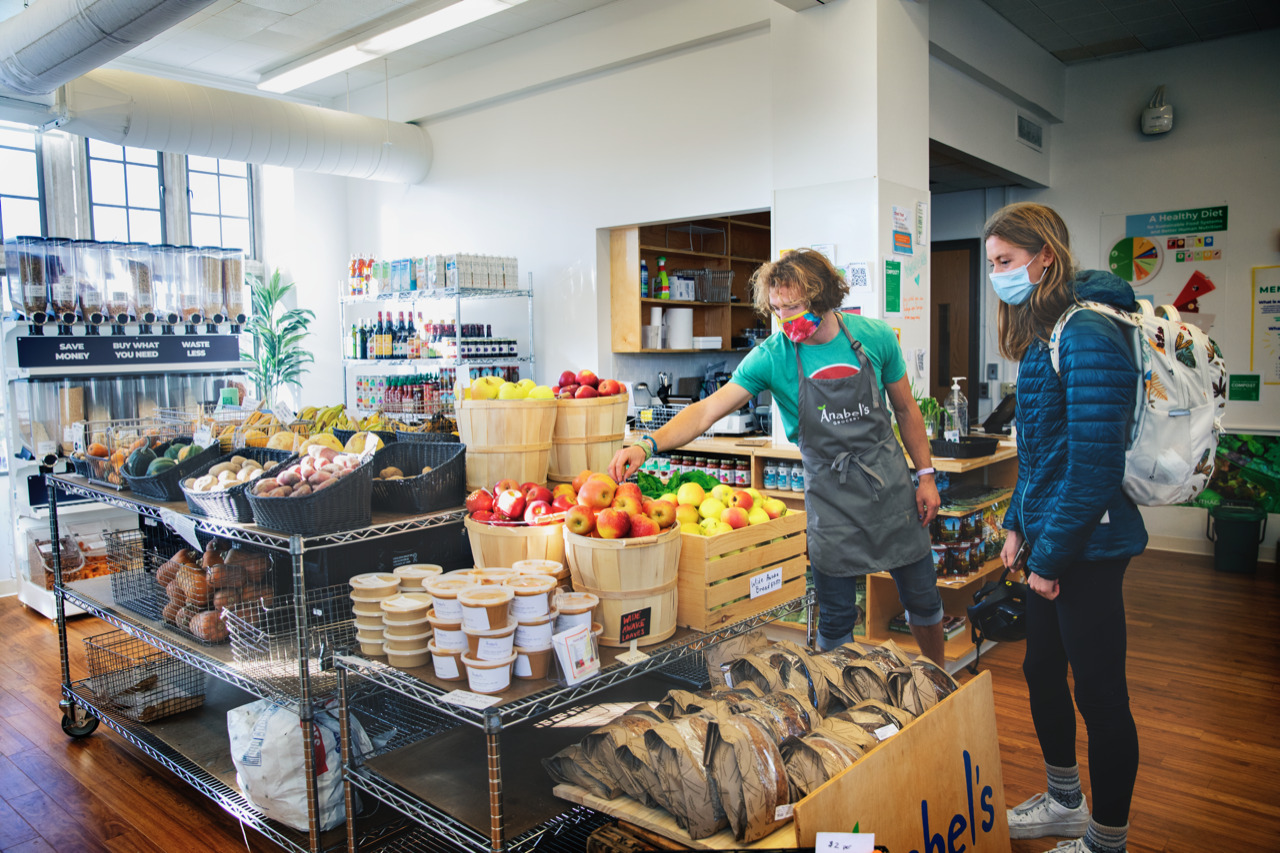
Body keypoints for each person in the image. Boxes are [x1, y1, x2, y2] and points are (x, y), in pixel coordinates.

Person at [608, 248, 945, 664]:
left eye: (795, 307)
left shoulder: (874, 338)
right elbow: (706, 410)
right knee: (836, 618)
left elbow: (908, 411)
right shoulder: (773, 355)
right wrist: (646, 443)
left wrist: (926, 475)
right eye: (778, 310)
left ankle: (939, 679)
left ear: (822, 297)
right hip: (831, 500)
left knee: (923, 600)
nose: (786, 320)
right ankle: (837, 707)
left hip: (890, 489)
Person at [985, 202, 1146, 853]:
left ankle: (1107, 839)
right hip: (1055, 538)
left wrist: (1049, 558)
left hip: (1092, 545)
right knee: (1042, 669)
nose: (997, 274)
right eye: (992, 263)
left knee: (1101, 692)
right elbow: (1045, 452)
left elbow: (1095, 464)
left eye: (1005, 262)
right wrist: (1019, 526)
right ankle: (1062, 800)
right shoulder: (1049, 330)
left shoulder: (1085, 331)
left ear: (1043, 255)